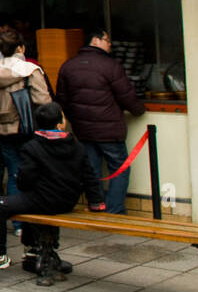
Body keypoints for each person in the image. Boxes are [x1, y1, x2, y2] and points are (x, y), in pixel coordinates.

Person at [0, 103, 103, 279]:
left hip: (40, 200)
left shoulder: (33, 147)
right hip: (67, 201)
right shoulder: (76, 146)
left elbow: (25, 180)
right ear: (60, 124)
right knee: (24, 203)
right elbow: (90, 176)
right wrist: (96, 202)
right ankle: (34, 252)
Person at [56, 29, 144, 215]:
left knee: (91, 168)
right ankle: (115, 210)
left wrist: (75, 119)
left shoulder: (68, 66)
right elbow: (127, 96)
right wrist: (139, 110)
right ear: (95, 40)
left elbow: (62, 100)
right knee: (119, 168)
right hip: (109, 129)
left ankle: (96, 205)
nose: (110, 44)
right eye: (107, 40)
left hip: (83, 129)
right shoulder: (110, 66)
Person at [0, 33, 53, 236]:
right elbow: (44, 101)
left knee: (14, 174)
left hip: (4, 128)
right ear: (21, 48)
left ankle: (16, 223)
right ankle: (27, 220)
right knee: (32, 174)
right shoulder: (29, 71)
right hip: (27, 128)